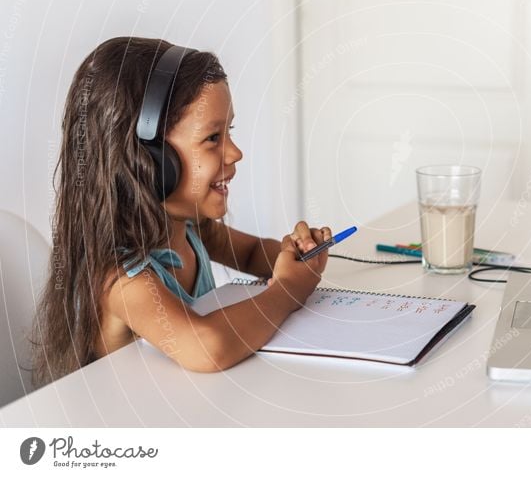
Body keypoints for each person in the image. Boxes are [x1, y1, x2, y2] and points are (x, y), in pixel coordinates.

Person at [31, 37, 329, 386]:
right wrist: (287, 292)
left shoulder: (190, 228)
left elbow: (249, 253)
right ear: (151, 162)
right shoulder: (121, 279)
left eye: (228, 131)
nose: (234, 153)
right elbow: (207, 346)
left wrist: (295, 254)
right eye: (213, 138)